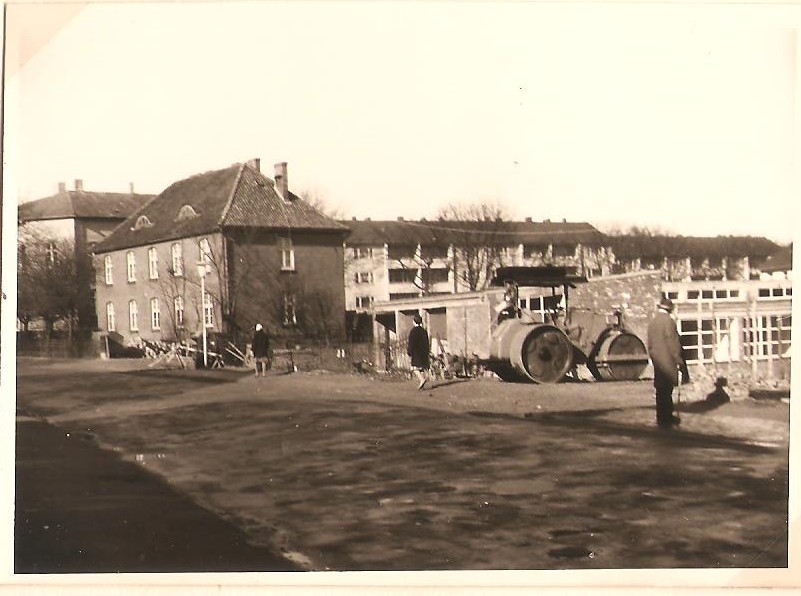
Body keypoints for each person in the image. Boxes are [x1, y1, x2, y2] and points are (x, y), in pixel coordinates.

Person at [646, 297, 683, 429]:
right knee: (667, 390)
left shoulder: (652, 323)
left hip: (657, 361)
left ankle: (661, 416)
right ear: (670, 309)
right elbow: (673, 344)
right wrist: (678, 360)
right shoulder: (669, 322)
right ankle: (667, 417)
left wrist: (654, 358)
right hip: (668, 360)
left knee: (660, 390)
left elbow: (649, 344)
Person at [407, 313, 431, 390]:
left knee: (414, 368)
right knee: (422, 368)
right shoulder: (424, 331)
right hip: (423, 352)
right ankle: (423, 383)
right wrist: (427, 351)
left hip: (416, 353)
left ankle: (422, 379)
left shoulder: (413, 331)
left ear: (414, 321)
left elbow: (411, 343)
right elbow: (427, 342)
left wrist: (409, 352)